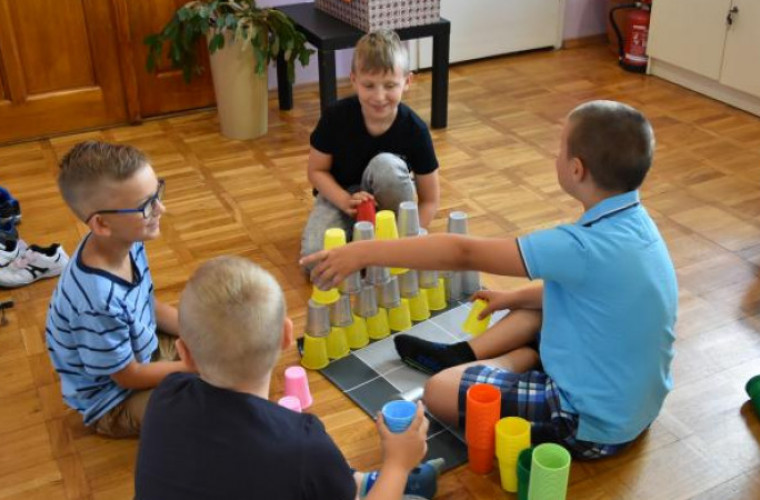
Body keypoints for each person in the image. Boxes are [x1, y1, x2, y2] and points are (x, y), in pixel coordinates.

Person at [302, 100, 678, 459]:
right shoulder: (637, 224)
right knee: (534, 302)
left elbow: (462, 252)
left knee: (439, 391)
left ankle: (516, 361)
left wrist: (362, 252)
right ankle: (467, 354)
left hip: (587, 424)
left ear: (576, 169)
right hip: (635, 407)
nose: (556, 156)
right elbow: (591, 293)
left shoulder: (577, 246)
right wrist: (513, 298)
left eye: (560, 149)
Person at [135, 256, 434, 500]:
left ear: (184, 354)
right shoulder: (302, 443)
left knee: (318, 473)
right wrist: (398, 464)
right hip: (304, 463)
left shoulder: (167, 394)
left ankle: (354, 482)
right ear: (287, 336)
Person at [46, 140, 192, 438]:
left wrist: (198, 332)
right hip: (113, 400)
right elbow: (127, 377)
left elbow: (147, 303)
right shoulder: (97, 300)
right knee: (204, 405)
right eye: (146, 205)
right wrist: (193, 368)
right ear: (102, 224)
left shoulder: (127, 240)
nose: (161, 208)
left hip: (144, 352)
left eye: (157, 194)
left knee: (219, 341)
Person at [300, 29, 440, 265]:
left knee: (386, 165)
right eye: (369, 85)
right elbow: (316, 171)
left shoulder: (415, 129)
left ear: (407, 82)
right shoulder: (335, 117)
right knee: (315, 263)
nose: (379, 96)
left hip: (389, 196)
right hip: (341, 195)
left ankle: (377, 241)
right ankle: (360, 240)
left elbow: (430, 200)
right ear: (354, 80)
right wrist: (345, 200)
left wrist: (409, 238)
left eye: (390, 85)